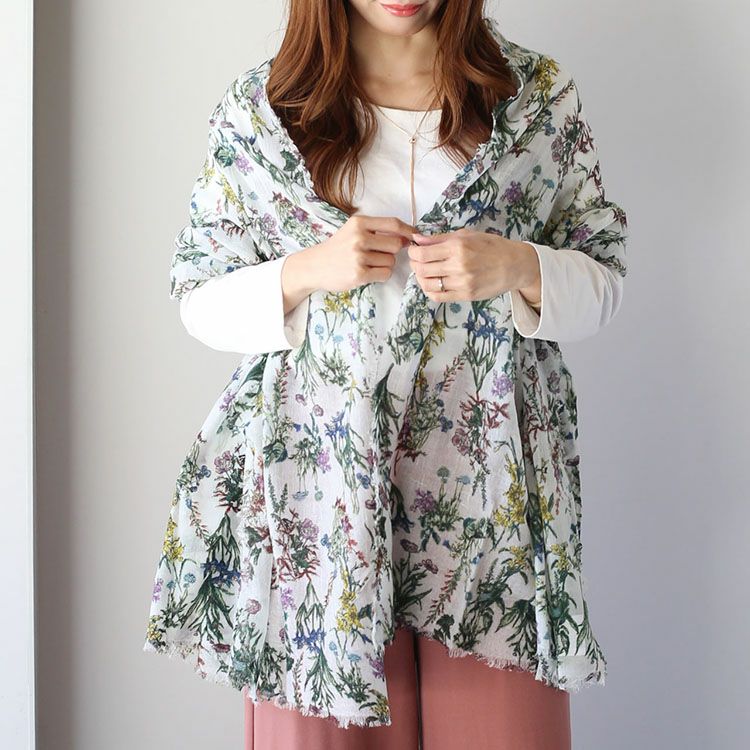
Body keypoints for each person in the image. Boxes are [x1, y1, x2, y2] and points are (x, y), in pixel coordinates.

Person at [144, 1, 627, 748]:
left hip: (490, 507)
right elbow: (199, 300)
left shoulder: (533, 98)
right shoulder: (268, 111)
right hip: (317, 512)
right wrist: (309, 269)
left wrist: (519, 266)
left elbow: (603, 280)